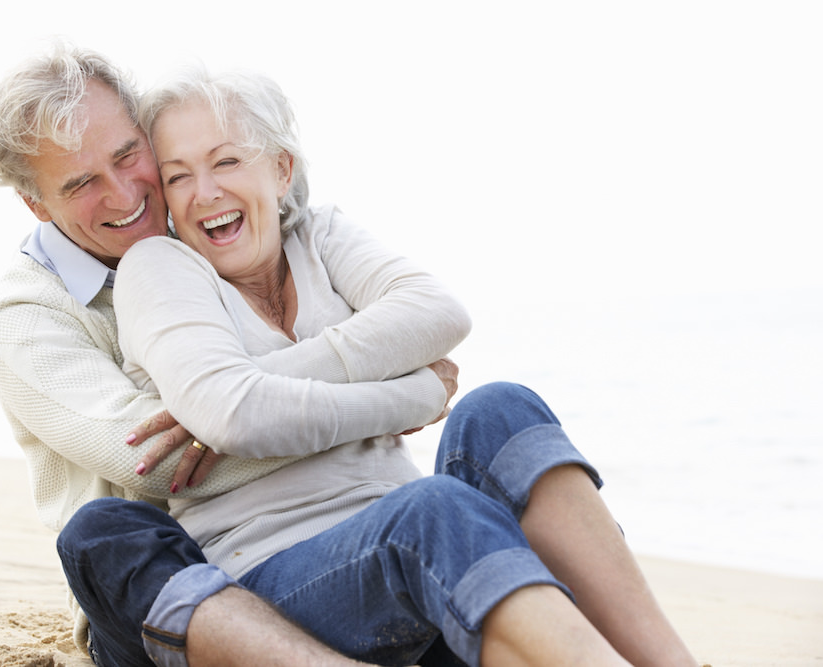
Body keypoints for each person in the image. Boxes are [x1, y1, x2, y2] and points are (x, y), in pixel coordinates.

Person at [76, 65, 698, 666]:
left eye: (228, 161)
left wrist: (265, 386)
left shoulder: (320, 238)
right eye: (179, 176)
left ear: (281, 169)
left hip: (419, 548)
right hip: (279, 576)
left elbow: (439, 313)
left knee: (502, 407)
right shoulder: (160, 267)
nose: (205, 192)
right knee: (434, 509)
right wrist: (415, 396)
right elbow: (237, 416)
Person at [0, 43, 383, 666]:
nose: (122, 195)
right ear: (37, 205)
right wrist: (387, 401)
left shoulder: (205, 235)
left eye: (126, 155)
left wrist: (254, 404)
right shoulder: (23, 319)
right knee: (104, 531)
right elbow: (158, 463)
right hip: (158, 592)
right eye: (82, 182)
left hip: (286, 544)